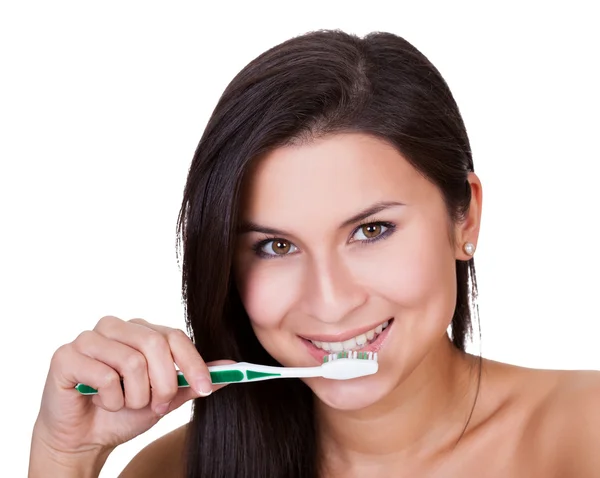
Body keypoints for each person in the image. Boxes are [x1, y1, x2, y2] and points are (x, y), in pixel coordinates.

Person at [28, 29, 600, 478]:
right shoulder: (172, 470)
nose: (329, 303)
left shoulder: (585, 431)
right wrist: (65, 455)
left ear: (465, 217)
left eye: (372, 230)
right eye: (276, 246)